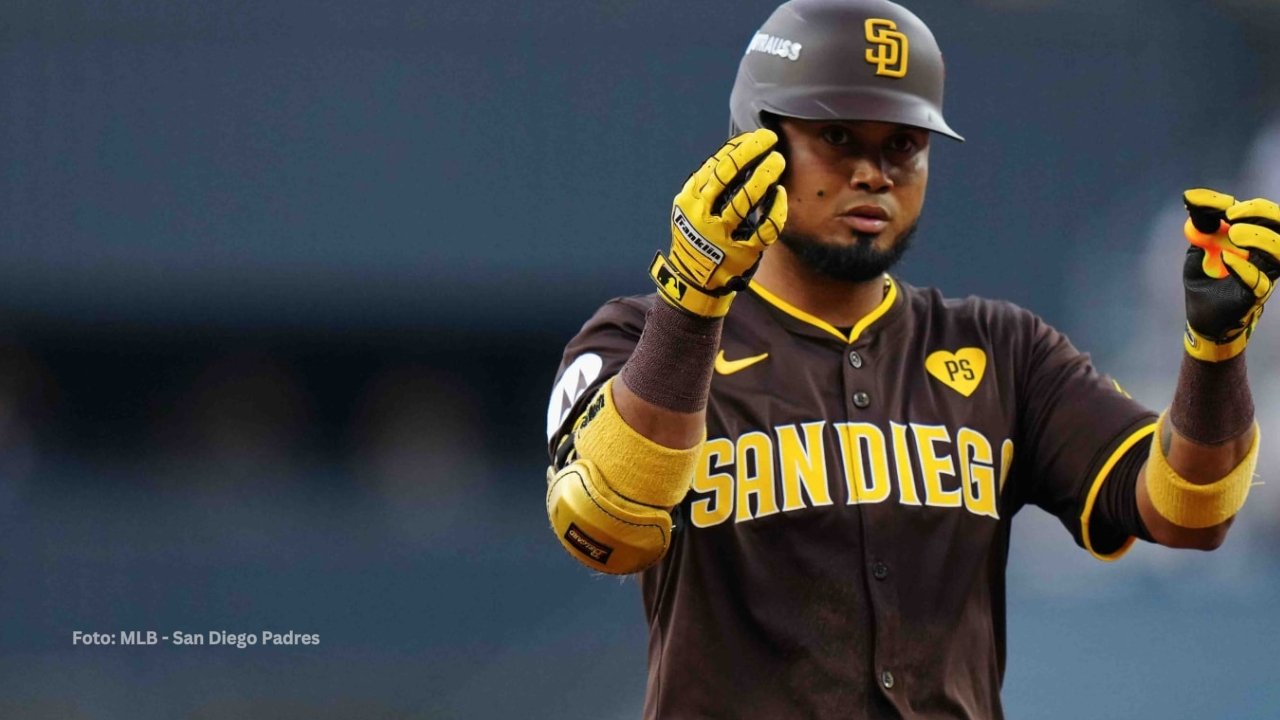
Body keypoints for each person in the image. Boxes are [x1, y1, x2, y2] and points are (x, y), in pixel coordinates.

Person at [542, 0, 1278, 716]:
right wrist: (693, 300)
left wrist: (1214, 355)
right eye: (838, 138)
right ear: (753, 144)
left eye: (903, 144)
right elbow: (607, 531)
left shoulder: (1002, 350)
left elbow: (1191, 510)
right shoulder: (641, 339)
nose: (875, 173)